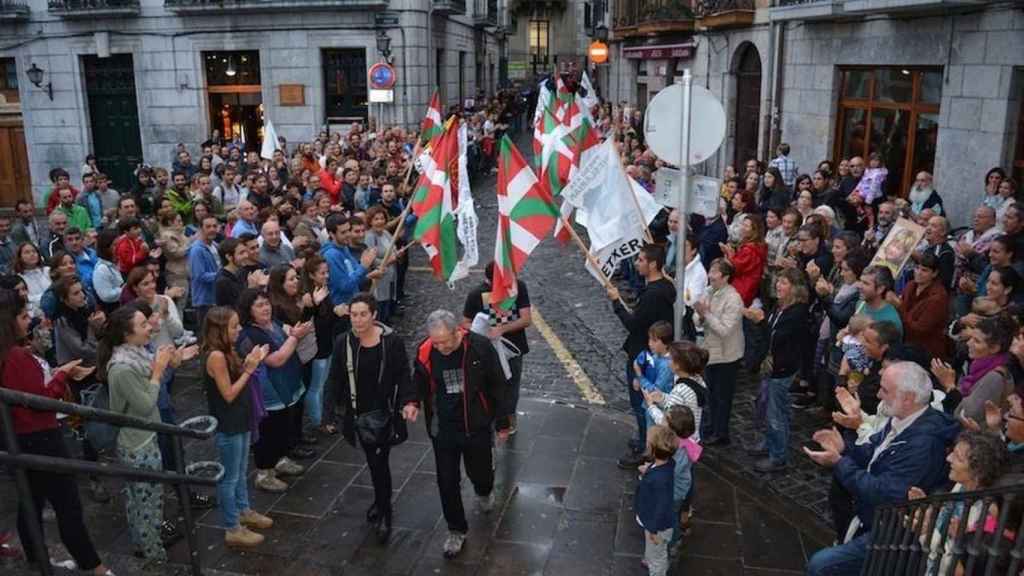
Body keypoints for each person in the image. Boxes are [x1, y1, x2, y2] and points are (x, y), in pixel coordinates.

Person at [804, 361, 959, 576]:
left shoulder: (923, 444)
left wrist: (839, 462)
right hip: (876, 520)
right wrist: (844, 447)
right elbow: (872, 452)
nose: (878, 395)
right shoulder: (904, 419)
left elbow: (884, 492)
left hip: (894, 531)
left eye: (885, 390)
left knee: (821, 565)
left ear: (907, 399)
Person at [0, 289, 115, 575]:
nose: (31, 321)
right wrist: (63, 374)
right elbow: (38, 401)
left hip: (20, 438)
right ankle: (94, 566)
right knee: (67, 506)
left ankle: (36, 558)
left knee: (31, 500)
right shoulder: (15, 356)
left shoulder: (11, 354)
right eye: (24, 316)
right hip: (40, 437)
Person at [412, 309, 510, 560]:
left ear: (457, 332)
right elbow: (418, 382)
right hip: (443, 428)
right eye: (436, 342)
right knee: (447, 480)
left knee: (481, 472)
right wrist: (411, 402)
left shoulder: (479, 347)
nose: (441, 347)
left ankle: (484, 489)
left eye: (445, 341)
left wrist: (501, 422)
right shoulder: (426, 351)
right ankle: (456, 529)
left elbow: (498, 382)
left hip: (475, 425)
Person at [329, 293, 416, 543]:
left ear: (374, 315)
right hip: (358, 415)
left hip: (385, 413)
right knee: (374, 462)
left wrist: (409, 402)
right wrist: (333, 412)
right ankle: (380, 502)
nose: (357, 320)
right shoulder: (342, 342)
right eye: (353, 315)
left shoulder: (392, 342)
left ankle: (385, 513)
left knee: (379, 464)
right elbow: (335, 379)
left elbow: (403, 375)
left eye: (363, 314)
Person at [98, 306, 174, 562]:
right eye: (143, 325)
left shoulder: (136, 354)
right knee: (147, 505)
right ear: (127, 335)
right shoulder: (121, 368)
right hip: (138, 443)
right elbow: (144, 405)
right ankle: (155, 556)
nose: (149, 327)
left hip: (145, 436)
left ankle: (142, 546)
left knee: (138, 500)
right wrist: (158, 372)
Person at [201, 306, 274, 548]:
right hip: (229, 423)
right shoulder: (216, 356)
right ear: (220, 330)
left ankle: (244, 510)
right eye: (234, 326)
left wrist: (252, 360)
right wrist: (250, 368)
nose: (239, 329)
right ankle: (232, 527)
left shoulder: (226, 350)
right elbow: (229, 394)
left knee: (241, 471)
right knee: (230, 478)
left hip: (240, 419)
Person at [236, 288, 313, 492]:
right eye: (259, 305)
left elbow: (290, 330)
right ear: (248, 310)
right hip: (269, 392)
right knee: (268, 432)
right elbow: (276, 360)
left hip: (287, 386)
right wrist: (295, 338)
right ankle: (264, 473)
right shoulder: (249, 334)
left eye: (266, 303)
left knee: (283, 427)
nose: (265, 308)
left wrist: (296, 331)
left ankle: (280, 459)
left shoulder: (274, 323)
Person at [605, 244, 675, 466]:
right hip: (649, 353)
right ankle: (645, 441)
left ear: (653, 264)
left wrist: (617, 302)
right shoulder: (663, 287)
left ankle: (647, 450)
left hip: (644, 357)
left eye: (641, 260)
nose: (636, 263)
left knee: (643, 404)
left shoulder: (653, 295)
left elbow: (634, 325)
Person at [745, 268, 810, 473]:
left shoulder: (798, 311)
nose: (778, 286)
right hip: (772, 367)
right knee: (765, 407)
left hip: (782, 369)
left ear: (795, 288)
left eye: (784, 282)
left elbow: (777, 337)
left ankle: (778, 456)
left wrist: (761, 321)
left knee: (776, 414)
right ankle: (769, 443)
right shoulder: (780, 306)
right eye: (778, 282)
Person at [461, 260, 533, 432]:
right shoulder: (476, 295)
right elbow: (465, 323)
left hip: (513, 347)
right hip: (487, 351)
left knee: (511, 385)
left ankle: (509, 417)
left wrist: (503, 329)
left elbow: (526, 319)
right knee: (490, 384)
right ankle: (491, 416)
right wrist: (482, 331)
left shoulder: (518, 287)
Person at [932, 313, 1017, 425]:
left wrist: (950, 385)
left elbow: (966, 416)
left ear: (995, 348)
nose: (968, 343)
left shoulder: (994, 378)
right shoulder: (979, 366)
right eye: (970, 338)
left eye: (977, 341)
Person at [694, 258, 743, 445]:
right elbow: (697, 320)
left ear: (725, 277)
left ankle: (721, 433)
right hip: (710, 352)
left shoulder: (733, 299)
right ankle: (711, 425)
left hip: (727, 355)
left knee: (723, 397)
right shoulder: (708, 291)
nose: (710, 275)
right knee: (711, 393)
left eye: (715, 272)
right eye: (711, 271)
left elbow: (725, 330)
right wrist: (700, 314)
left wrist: (706, 314)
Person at [634, 425, 677, 576]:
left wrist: (653, 530)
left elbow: (661, 506)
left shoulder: (660, 480)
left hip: (657, 526)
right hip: (652, 520)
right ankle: (649, 558)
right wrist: (649, 469)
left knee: (657, 558)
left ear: (652, 449)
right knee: (652, 549)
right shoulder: (666, 464)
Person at [897, 251, 950, 361]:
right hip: (906, 342)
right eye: (917, 268)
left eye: (924, 270)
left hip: (926, 351)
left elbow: (919, 329)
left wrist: (898, 305)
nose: (919, 273)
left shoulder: (938, 297)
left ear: (934, 273)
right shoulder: (910, 285)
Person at [321, 214, 378, 307]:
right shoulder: (331, 255)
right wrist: (363, 266)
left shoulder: (344, 247)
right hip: (342, 308)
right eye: (343, 232)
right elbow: (345, 286)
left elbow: (354, 274)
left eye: (348, 230)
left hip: (353, 303)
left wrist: (369, 275)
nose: (348, 235)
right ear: (331, 234)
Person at [187, 215, 220, 326]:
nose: (212, 229)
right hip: (204, 300)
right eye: (208, 226)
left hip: (215, 297)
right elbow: (199, 276)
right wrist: (222, 275)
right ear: (201, 229)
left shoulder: (215, 245)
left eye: (215, 226)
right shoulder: (197, 250)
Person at [157, 211, 191, 311]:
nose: (181, 223)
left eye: (181, 221)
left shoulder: (179, 233)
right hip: (176, 273)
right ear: (170, 222)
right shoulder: (168, 236)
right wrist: (190, 244)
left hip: (183, 272)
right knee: (178, 304)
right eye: (178, 221)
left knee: (183, 302)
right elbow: (176, 253)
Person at [92, 229, 124, 313]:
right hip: (114, 311)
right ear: (106, 247)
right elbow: (106, 295)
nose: (119, 248)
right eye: (115, 245)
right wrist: (125, 289)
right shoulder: (102, 269)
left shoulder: (117, 262)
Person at [15, 242, 50, 318]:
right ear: (20, 257)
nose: (32, 254)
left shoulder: (48, 270)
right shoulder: (18, 279)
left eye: (34, 251)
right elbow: (27, 302)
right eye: (27, 252)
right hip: (38, 317)